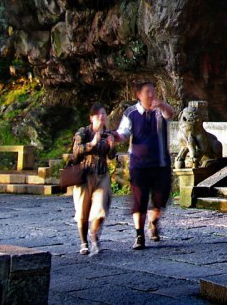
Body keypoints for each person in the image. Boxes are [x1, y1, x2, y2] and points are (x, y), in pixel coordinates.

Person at [113, 81, 175, 250]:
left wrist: (161, 104)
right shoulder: (131, 113)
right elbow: (123, 132)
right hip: (139, 165)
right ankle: (139, 235)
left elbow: (170, 114)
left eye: (153, 92)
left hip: (161, 163)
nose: (151, 95)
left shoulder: (159, 112)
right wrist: (114, 137)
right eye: (147, 92)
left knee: (160, 199)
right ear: (138, 95)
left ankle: (153, 222)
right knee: (139, 201)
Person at [71, 103, 115, 256]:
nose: (101, 117)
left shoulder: (107, 133)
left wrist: (112, 145)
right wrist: (92, 144)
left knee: (101, 207)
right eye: (98, 115)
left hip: (102, 174)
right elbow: (75, 153)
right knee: (83, 212)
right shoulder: (83, 132)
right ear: (91, 118)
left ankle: (94, 233)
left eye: (103, 114)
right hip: (83, 175)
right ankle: (84, 242)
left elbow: (111, 156)